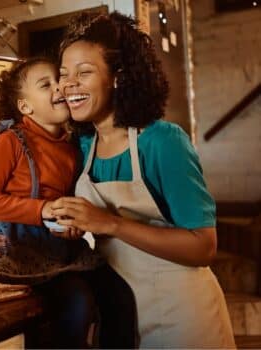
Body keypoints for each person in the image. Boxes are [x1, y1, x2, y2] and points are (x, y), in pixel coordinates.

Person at [50, 11, 235, 348]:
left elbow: (204, 247)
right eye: (63, 74)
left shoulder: (163, 142)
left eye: (84, 72)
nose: (67, 85)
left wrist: (110, 223)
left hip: (182, 316)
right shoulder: (83, 145)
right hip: (119, 313)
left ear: (118, 77)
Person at [0, 57, 133, 348]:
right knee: (78, 301)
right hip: (20, 255)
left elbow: (70, 204)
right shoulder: (9, 142)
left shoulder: (72, 148)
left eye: (58, 81)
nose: (59, 88)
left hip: (62, 251)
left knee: (118, 294)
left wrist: (72, 226)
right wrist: (42, 209)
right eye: (46, 85)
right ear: (25, 107)